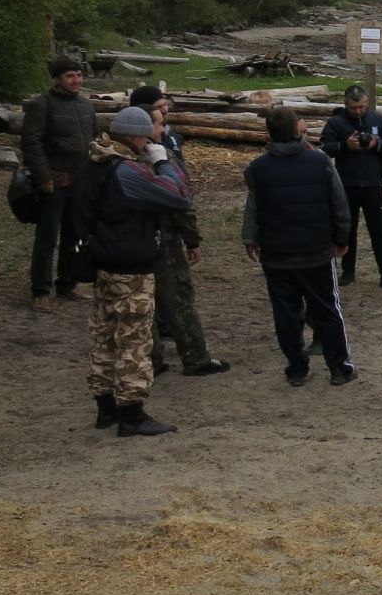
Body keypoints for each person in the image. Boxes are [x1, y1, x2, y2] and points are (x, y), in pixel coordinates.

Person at [67, 106, 195, 436]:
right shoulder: (125, 171)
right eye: (153, 134)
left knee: (104, 337)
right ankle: (132, 413)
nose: (158, 137)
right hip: (131, 266)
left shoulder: (91, 166)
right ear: (138, 138)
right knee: (134, 341)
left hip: (102, 263)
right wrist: (163, 161)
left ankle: (105, 407)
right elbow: (179, 196)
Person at [243, 107, 357, 387]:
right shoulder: (319, 162)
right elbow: (339, 204)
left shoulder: (257, 168)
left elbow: (253, 207)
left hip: (277, 253)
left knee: (285, 313)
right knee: (328, 309)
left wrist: (251, 237)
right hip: (315, 251)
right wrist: (342, 240)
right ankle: (339, 367)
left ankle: (296, 367)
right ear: (297, 129)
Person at [129, 85, 228, 376]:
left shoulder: (116, 160)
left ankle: (153, 359)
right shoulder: (160, 160)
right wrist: (192, 239)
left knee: (142, 302)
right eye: (159, 120)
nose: (164, 124)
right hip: (165, 238)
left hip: (133, 240)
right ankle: (195, 357)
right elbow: (180, 199)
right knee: (179, 299)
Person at [23, 57, 97, 311]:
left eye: (79, 75)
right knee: (47, 239)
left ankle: (67, 283)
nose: (76, 80)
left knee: (74, 236)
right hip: (54, 182)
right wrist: (43, 177)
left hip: (80, 183)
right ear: (57, 79)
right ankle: (40, 290)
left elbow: (92, 141)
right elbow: (32, 144)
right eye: (70, 76)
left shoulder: (86, 105)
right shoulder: (41, 105)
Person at [318, 85, 382, 289]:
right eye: (354, 108)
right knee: (347, 231)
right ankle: (348, 272)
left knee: (378, 231)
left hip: (373, 184)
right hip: (347, 184)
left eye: (361, 107)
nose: (358, 111)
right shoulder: (336, 123)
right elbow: (325, 149)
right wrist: (344, 146)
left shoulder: (378, 120)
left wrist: (376, 144)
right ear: (346, 104)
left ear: (366, 103)